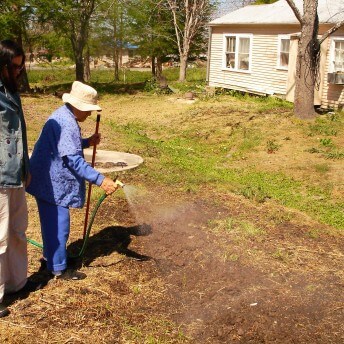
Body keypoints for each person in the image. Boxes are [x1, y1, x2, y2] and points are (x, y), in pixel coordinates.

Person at [26, 81, 118, 280]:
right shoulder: (67, 122)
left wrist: (86, 142)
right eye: (88, 110)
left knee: (52, 225)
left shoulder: (64, 116)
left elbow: (64, 146)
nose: (90, 114)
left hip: (46, 180)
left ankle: (51, 259)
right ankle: (58, 268)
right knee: (59, 226)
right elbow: (73, 159)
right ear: (78, 106)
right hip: (51, 183)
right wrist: (101, 180)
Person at [0, 39, 42, 318]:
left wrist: (26, 168)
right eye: (14, 67)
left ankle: (17, 283)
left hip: (15, 172)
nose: (18, 72)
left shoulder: (11, 91)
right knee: (0, 236)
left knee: (17, 230)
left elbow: (20, 134)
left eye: (21, 67)